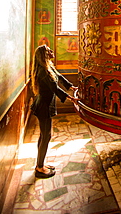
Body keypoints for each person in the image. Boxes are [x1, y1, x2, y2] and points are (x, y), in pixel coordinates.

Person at [31, 44, 78, 178]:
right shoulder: (43, 71)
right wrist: (70, 98)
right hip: (43, 107)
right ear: (44, 55)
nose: (52, 51)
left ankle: (41, 163)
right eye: (48, 51)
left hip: (45, 105)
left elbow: (60, 77)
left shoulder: (48, 67)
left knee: (44, 136)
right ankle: (40, 167)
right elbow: (54, 88)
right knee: (46, 136)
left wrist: (71, 87)